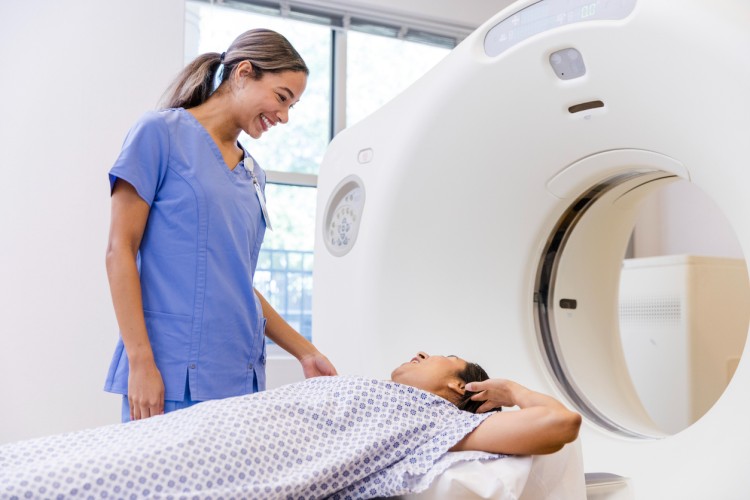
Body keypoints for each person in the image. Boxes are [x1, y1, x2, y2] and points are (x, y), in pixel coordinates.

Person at [104, 28, 336, 423]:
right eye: (282, 98)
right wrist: (141, 362)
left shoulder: (253, 175)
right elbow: (119, 251)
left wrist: (305, 351)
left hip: (239, 378)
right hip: (172, 373)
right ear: (243, 72)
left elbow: (236, 283)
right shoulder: (160, 134)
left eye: (292, 106)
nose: (284, 117)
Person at [1, 351, 581, 499]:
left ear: (459, 388)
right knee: (58, 454)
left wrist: (506, 390)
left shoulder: (431, 422)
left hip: (223, 461)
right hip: (209, 427)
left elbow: (559, 423)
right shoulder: (377, 392)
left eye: (439, 356)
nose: (419, 352)